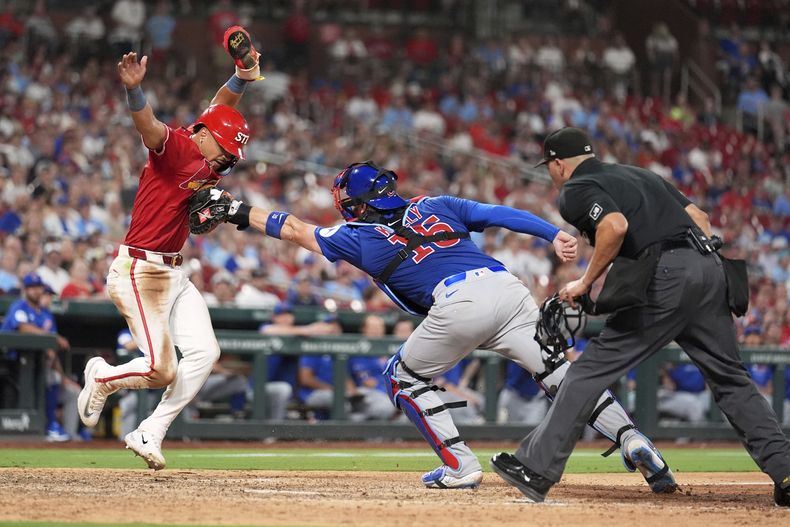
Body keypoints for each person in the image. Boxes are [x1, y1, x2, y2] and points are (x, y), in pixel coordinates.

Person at [201, 160, 675, 492]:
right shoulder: (437, 203)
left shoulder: (357, 235)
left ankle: (459, 465)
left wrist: (238, 211)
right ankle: (632, 437)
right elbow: (498, 215)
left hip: (457, 300)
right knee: (558, 375)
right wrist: (553, 234)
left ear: (357, 203)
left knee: (403, 376)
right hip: (505, 287)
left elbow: (294, 228)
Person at [490, 127, 790, 507]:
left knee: (587, 371)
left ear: (559, 164)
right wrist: (696, 269)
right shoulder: (640, 174)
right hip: (710, 270)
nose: (551, 172)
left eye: (549, 165)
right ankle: (785, 470)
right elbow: (699, 215)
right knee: (732, 379)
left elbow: (614, 226)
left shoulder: (575, 189)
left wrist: (585, 281)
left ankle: (536, 468)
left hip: (665, 277)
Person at [77, 39, 259, 470]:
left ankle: (150, 431)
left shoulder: (207, 149)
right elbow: (149, 127)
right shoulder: (177, 147)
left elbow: (220, 107)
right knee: (162, 369)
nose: (228, 164)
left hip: (174, 273)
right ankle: (101, 375)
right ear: (205, 137)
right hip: (138, 269)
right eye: (227, 154)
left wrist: (242, 76)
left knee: (205, 354)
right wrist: (134, 91)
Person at [1, 273, 76, 441]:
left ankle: (52, 426)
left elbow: (52, 350)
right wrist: (53, 338)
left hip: (37, 364)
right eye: (31, 288)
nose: (35, 291)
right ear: (25, 290)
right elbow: (23, 327)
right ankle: (49, 425)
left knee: (56, 379)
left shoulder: (45, 313)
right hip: (10, 361)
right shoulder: (19, 307)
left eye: (38, 287)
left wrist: (63, 375)